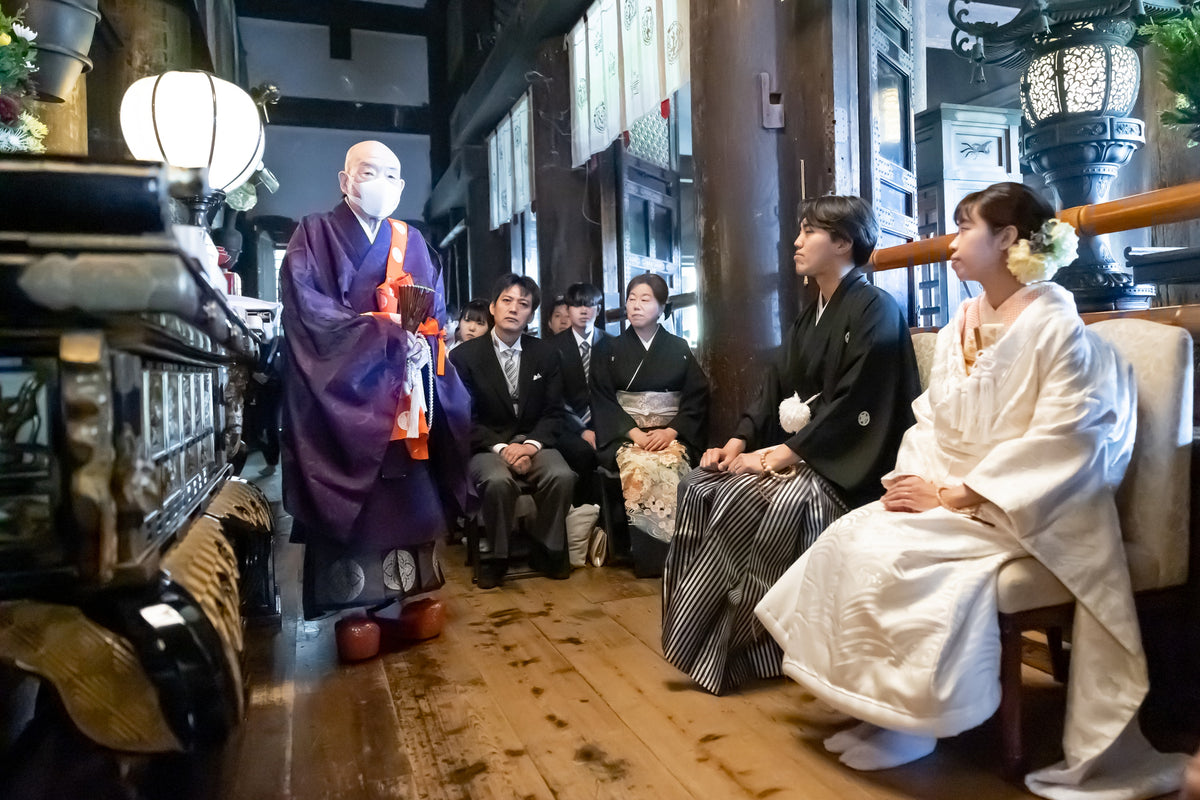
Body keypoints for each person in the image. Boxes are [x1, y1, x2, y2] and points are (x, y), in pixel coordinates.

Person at [755, 183, 1187, 798]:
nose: (952, 241)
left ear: (1007, 239)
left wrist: (963, 497)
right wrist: (922, 483)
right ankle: (883, 710)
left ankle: (922, 723)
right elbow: (935, 418)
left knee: (902, 559)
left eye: (965, 227)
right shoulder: (966, 319)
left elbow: (1069, 442)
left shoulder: (1055, 324)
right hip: (957, 491)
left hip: (1033, 508)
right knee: (853, 536)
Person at [661, 195, 921, 695]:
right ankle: (692, 637)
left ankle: (746, 653)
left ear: (843, 242)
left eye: (809, 232)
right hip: (806, 451)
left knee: (749, 503)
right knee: (697, 484)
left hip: (849, 466)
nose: (796, 242)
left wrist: (780, 456)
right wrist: (738, 442)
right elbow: (773, 385)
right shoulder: (811, 316)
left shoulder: (876, 310)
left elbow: (856, 405)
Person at [279, 140, 471, 642]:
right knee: (356, 501)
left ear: (402, 186)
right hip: (345, 390)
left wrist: (417, 337)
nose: (379, 183)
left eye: (391, 175)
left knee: (411, 496)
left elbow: (432, 315)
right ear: (345, 181)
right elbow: (308, 312)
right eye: (368, 172)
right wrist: (381, 331)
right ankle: (353, 609)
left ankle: (415, 595)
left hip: (405, 392)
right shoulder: (314, 234)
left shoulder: (411, 240)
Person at [450, 273, 577, 589]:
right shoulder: (464, 357)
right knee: (497, 481)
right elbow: (463, 418)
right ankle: (497, 555)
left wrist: (531, 446)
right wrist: (502, 449)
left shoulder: (546, 354)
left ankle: (548, 548)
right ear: (492, 307)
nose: (513, 309)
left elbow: (553, 413)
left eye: (523, 304)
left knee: (561, 475)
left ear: (531, 314)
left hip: (534, 442)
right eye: (506, 301)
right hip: (486, 445)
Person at [590, 275, 708, 573]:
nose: (636, 305)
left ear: (661, 306)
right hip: (627, 437)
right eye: (631, 298)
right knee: (639, 468)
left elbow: (696, 396)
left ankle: (679, 552)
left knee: (672, 465)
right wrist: (633, 434)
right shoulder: (607, 349)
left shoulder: (678, 347)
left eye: (645, 299)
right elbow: (602, 398)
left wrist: (671, 431)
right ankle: (650, 558)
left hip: (668, 436)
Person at [548, 282, 609, 506]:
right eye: (577, 305)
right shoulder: (552, 347)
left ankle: (611, 524)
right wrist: (582, 430)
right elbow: (554, 397)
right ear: (568, 309)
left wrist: (600, 428)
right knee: (582, 454)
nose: (583, 311)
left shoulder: (611, 344)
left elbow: (613, 394)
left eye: (590, 305)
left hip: (603, 424)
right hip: (567, 426)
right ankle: (581, 517)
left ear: (598, 310)